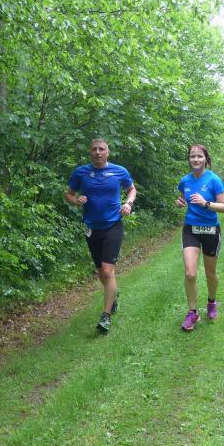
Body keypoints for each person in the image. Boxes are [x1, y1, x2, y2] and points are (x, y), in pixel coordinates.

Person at [66, 138, 137, 333]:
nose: (97, 152)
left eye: (101, 149)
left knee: (107, 271)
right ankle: (113, 295)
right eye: (94, 149)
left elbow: (131, 189)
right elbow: (69, 194)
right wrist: (76, 201)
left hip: (113, 225)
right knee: (100, 273)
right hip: (91, 228)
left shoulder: (119, 171)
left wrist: (128, 203)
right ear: (90, 152)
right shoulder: (81, 172)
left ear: (107, 152)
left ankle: (105, 316)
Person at [175, 144, 224, 331]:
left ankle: (211, 302)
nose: (196, 159)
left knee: (210, 273)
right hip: (191, 229)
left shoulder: (214, 180)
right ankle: (193, 312)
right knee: (190, 273)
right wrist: (181, 202)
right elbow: (183, 198)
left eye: (199, 156)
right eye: (192, 156)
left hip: (211, 230)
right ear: (189, 159)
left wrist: (206, 203)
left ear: (206, 159)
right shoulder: (185, 181)